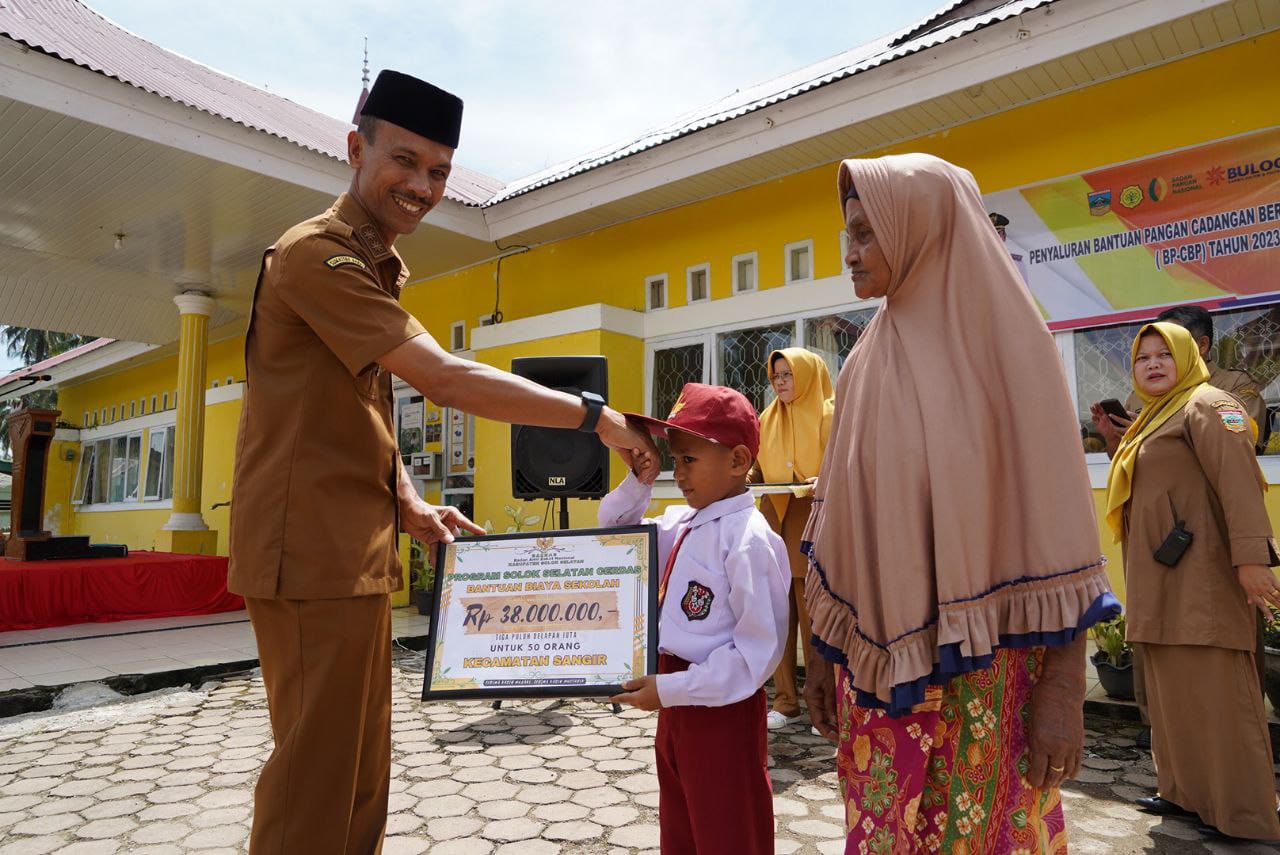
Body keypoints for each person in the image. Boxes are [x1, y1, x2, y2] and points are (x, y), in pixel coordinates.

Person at [228, 69, 657, 854]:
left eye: (439, 171)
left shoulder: (374, 266)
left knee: (360, 779)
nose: (422, 185)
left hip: (353, 551)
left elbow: (360, 412)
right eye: (405, 160)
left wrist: (409, 505)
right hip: (308, 552)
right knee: (312, 787)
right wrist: (595, 415)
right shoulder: (316, 256)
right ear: (355, 148)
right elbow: (446, 378)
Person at [802, 153, 1120, 854]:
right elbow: (840, 520)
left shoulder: (1013, 353)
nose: (849, 254)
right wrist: (822, 656)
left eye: (865, 233)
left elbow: (1059, 532)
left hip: (992, 688)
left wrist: (1065, 687)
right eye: (845, 235)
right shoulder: (863, 363)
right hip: (882, 693)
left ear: (923, 228)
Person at [1104, 321, 1280, 842]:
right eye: (1143, 357)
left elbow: (1240, 483)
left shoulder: (1208, 403)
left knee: (1218, 696)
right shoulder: (1151, 417)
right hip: (1160, 580)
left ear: (1189, 355)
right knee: (1169, 697)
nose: (1154, 364)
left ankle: (1243, 814)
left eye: (1164, 354)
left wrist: (1253, 561)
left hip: (1201, 581)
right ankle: (1183, 793)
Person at [604, 383, 789, 855]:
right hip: (674, 703)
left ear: (737, 460)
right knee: (683, 829)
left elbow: (754, 659)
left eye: (689, 459)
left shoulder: (749, 540)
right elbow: (614, 538)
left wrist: (670, 691)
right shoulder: (681, 523)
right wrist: (639, 482)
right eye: (675, 459)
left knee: (729, 834)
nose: (678, 473)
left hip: (721, 710)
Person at [750, 348, 833, 729]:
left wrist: (826, 479)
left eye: (788, 374)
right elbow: (755, 466)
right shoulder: (767, 418)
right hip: (772, 518)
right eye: (776, 376)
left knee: (814, 615)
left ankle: (824, 705)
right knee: (777, 614)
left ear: (807, 375)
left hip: (812, 517)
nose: (781, 382)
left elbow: (848, 462)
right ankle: (785, 701)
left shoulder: (833, 412)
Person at [1091, 304, 1268, 456]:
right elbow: (1122, 460)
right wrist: (1112, 438)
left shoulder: (1231, 387)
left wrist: (1149, 436)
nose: (1154, 363)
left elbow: (1240, 448)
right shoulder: (1142, 394)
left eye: (1171, 345)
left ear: (1202, 345)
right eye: (1143, 357)